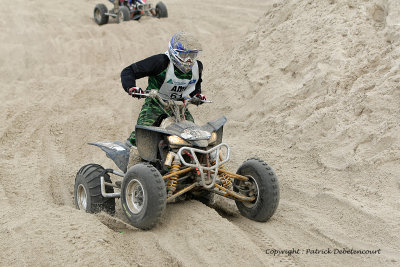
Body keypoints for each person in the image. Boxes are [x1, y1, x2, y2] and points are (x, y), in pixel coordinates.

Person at [121, 32, 206, 148]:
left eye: (192, 56)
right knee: (141, 137)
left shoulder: (197, 67)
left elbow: (195, 85)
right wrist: (131, 87)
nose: (189, 60)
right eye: (184, 55)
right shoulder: (161, 61)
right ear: (174, 52)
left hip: (180, 107)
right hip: (156, 104)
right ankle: (130, 157)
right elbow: (128, 71)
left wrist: (197, 95)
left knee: (195, 137)